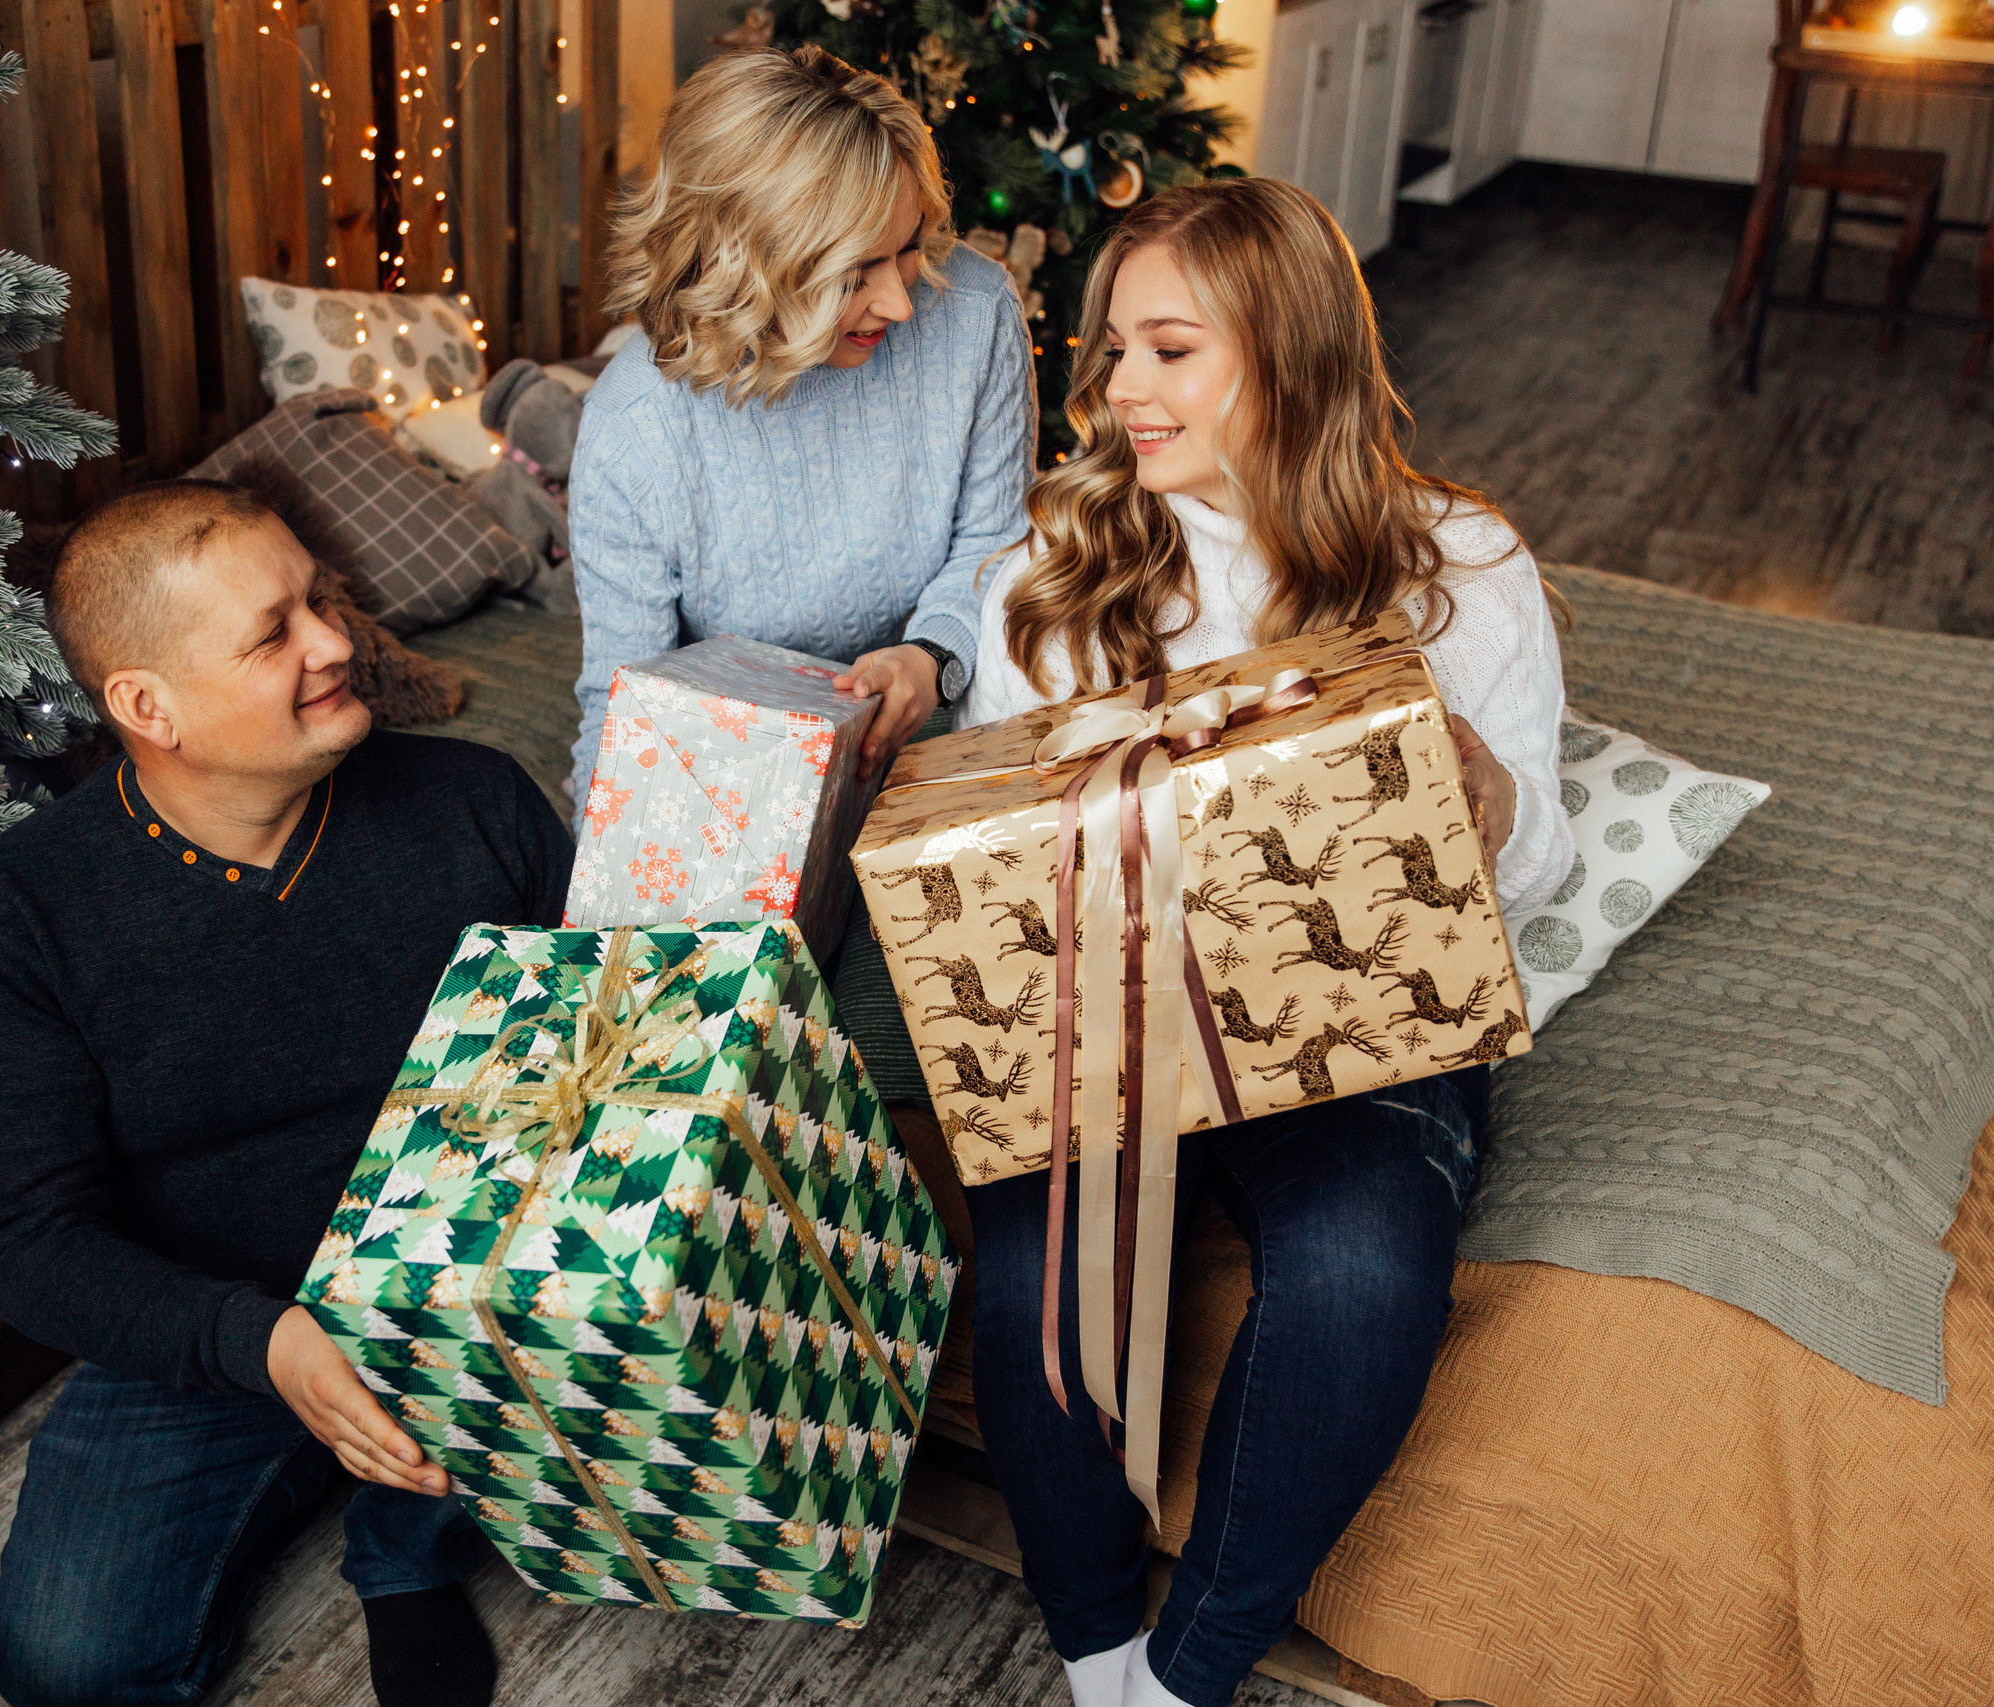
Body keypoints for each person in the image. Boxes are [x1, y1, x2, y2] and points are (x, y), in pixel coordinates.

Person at [957, 180, 1575, 1707]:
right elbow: (999, 851)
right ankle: (1094, 1635)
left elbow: (1542, 864)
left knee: (1368, 1261)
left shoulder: (1465, 563)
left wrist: (1490, 796)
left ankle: (1188, 1670)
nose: (1120, 393)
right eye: (1111, 354)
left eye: (1170, 351)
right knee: (1035, 1260)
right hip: (1115, 1012)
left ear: (1290, 352)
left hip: (1353, 1025)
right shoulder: (1047, 574)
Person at [0, 480, 571, 1707]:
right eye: (274, 632)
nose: (337, 642)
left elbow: (602, 1065)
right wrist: (257, 1344)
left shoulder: (475, 800)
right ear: (145, 706)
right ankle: (311, 1456)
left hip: (469, 1288)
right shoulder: (17, 917)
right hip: (213, 1323)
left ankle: (403, 1553)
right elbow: (32, 1246)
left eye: (319, 599)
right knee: (67, 1667)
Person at [567, 44, 1036, 808]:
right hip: (738, 770)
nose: (900, 303)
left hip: (948, 718)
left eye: (910, 247)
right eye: (853, 274)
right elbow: (626, 701)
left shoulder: (975, 312)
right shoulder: (635, 426)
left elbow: (996, 544)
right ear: (747, 266)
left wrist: (929, 658)